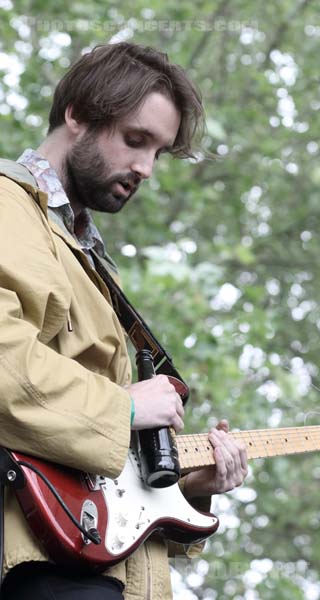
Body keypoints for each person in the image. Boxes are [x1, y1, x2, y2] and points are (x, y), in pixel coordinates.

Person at [0, 42, 248, 599]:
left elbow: (90, 456)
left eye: (158, 153)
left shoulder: (85, 254)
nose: (145, 168)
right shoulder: (7, 207)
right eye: (136, 140)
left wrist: (189, 483)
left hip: (92, 562)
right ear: (77, 115)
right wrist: (129, 406)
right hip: (35, 565)